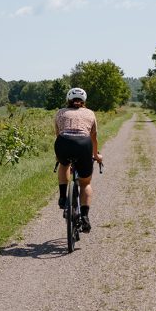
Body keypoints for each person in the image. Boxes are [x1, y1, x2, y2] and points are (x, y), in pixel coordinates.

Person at [54, 87, 102, 232]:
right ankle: (85, 217)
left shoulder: (60, 112)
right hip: (83, 144)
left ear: (68, 100)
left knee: (64, 164)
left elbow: (58, 135)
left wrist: (59, 155)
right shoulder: (90, 113)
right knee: (85, 182)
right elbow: (93, 138)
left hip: (63, 142)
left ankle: (63, 198)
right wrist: (96, 155)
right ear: (84, 101)